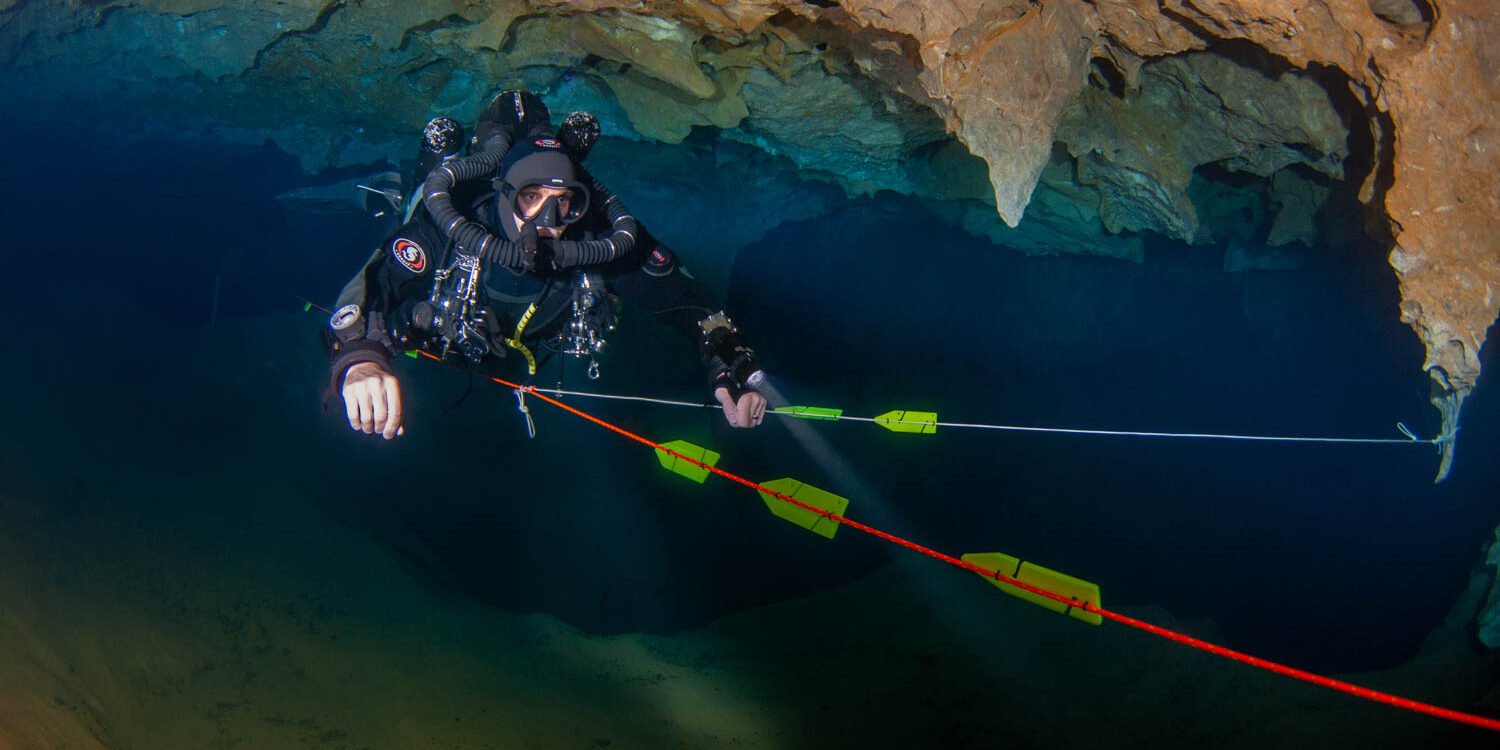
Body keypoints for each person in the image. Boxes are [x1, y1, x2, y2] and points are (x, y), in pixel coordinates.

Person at [323, 91, 768, 439]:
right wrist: (361, 360)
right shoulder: (452, 225)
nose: (549, 224)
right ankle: (435, 166)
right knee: (422, 202)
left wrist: (726, 361)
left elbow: (686, 301)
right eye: (531, 198)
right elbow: (375, 284)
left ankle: (551, 163)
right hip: (454, 331)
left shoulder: (598, 239)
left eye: (564, 203)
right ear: (504, 193)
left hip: (516, 347)